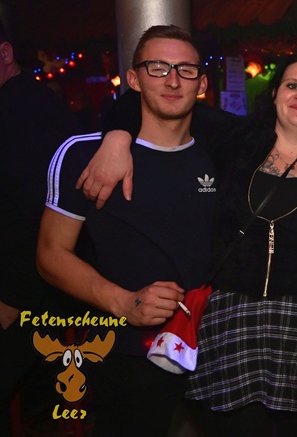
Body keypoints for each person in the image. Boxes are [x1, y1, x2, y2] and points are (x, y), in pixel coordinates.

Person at [78, 53, 297, 436]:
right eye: (292, 85)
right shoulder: (233, 138)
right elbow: (152, 101)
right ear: (274, 94)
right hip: (229, 325)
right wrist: (117, 137)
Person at [36, 24, 215, 436]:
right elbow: (50, 256)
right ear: (133, 79)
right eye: (158, 68)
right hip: (126, 353)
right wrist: (124, 302)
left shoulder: (220, 155)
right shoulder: (85, 153)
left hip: (215, 353)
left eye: (186, 70)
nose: (173, 80)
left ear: (202, 84)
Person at [0, 22, 82, 435]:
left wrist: (11, 300)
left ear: (5, 54)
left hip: (34, 289)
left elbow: (38, 215)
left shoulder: (26, 111)